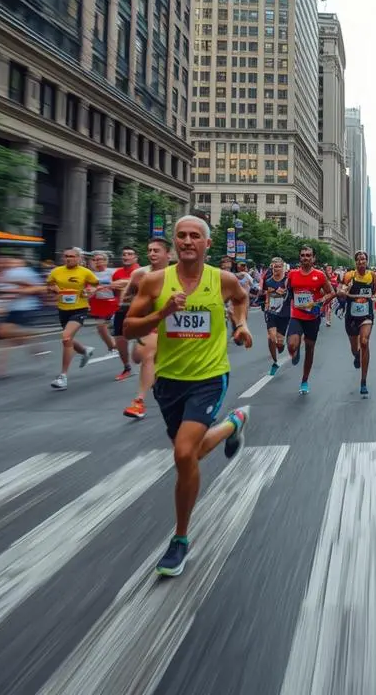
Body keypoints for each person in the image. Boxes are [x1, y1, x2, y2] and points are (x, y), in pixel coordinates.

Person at [120, 215, 252, 578]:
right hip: (168, 381)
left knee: (183, 453)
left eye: (196, 236)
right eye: (182, 236)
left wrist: (240, 325)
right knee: (188, 452)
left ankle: (180, 538)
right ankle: (232, 425)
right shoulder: (153, 281)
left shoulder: (221, 280)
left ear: (208, 244)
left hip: (210, 377)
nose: (188, 241)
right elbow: (129, 326)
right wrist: (163, 313)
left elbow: (241, 298)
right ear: (174, 242)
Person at [121, 237, 170, 420]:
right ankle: (160, 386)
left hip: (170, 325)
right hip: (147, 323)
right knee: (138, 358)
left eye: (156, 250)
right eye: (149, 250)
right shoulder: (140, 274)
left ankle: (138, 402)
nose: (151, 254)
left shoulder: (177, 273)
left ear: (168, 254)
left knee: (148, 356)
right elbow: (127, 297)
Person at [45, 247, 98, 390]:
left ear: (79, 258)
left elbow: (95, 286)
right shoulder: (56, 271)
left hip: (79, 309)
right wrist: (53, 288)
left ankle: (62, 376)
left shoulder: (85, 272)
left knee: (66, 338)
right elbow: (49, 285)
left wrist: (89, 292)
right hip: (63, 309)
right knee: (67, 338)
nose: (69, 259)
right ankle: (85, 350)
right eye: (67, 256)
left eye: (73, 256)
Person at [285, 246, 334, 395]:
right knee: (292, 344)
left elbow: (332, 292)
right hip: (296, 314)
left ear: (313, 259)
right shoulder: (292, 274)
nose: (305, 257)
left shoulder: (319, 275)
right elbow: (288, 291)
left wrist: (320, 302)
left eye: (308, 255)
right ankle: (294, 352)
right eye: (303, 255)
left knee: (309, 349)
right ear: (300, 258)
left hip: (312, 317)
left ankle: (305, 380)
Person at [341, 250, 376, 395]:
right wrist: (345, 290)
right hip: (351, 316)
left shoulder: (372, 276)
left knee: (364, 342)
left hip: (366, 314)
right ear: (355, 262)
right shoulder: (349, 275)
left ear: (367, 261)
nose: (361, 262)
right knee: (355, 348)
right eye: (358, 259)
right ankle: (357, 355)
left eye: (363, 259)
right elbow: (342, 290)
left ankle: (363, 381)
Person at [110, 246, 142, 379]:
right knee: (119, 340)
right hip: (122, 308)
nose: (126, 256)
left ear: (135, 257)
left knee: (138, 355)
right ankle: (127, 368)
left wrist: (126, 283)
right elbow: (115, 292)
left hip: (139, 309)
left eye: (130, 254)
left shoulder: (141, 271)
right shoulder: (117, 273)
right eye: (124, 254)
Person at [260, 256, 291, 375]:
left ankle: (281, 346)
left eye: (279, 266)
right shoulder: (268, 281)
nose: (276, 269)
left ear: (283, 267)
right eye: (274, 267)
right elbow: (267, 294)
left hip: (284, 313)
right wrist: (267, 304)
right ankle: (275, 361)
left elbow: (292, 294)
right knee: (271, 337)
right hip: (272, 312)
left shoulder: (288, 281)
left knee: (279, 342)